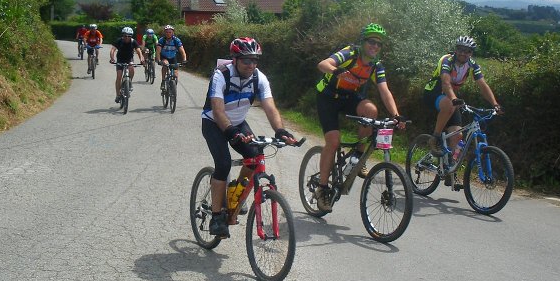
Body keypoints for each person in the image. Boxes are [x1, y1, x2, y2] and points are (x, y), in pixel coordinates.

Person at [201, 37, 297, 238]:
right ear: (235, 59)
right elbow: (218, 111)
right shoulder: (221, 75)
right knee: (224, 163)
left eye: (255, 60)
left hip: (238, 123)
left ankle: (237, 194)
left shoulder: (259, 78)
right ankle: (217, 216)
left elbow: (270, 106)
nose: (251, 65)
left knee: (254, 155)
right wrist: (231, 132)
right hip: (214, 123)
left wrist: (280, 131)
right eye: (246, 60)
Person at [313, 23, 405, 212]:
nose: (375, 47)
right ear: (363, 42)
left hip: (349, 97)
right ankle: (322, 188)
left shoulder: (375, 65)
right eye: (372, 42)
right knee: (333, 142)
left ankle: (357, 156)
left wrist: (396, 115)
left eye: (379, 44)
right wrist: (337, 71)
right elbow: (323, 64)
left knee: (371, 110)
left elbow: (385, 91)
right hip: (328, 97)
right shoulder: (350, 53)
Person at [423, 35, 502, 156]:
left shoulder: (472, 65)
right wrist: (454, 98)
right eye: (461, 50)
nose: (463, 53)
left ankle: (448, 170)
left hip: (451, 99)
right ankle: (434, 138)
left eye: (468, 51)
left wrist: (495, 104)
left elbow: (483, 85)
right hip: (433, 92)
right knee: (450, 105)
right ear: (456, 50)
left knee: (457, 136)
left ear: (471, 53)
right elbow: (445, 83)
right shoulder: (447, 60)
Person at [110, 26, 144, 103]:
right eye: (125, 35)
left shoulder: (133, 42)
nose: (127, 37)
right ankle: (118, 95)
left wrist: (141, 59)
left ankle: (129, 82)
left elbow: (139, 51)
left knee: (132, 69)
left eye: (129, 36)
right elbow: (112, 50)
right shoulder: (119, 41)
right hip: (120, 59)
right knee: (119, 76)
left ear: (131, 36)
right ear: (123, 35)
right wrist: (112, 58)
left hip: (129, 59)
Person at [156, 24, 187, 91]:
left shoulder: (176, 40)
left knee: (175, 72)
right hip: (164, 56)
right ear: (164, 33)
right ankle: (163, 80)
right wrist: (158, 60)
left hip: (173, 57)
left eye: (170, 32)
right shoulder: (162, 40)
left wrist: (184, 59)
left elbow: (182, 51)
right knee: (165, 64)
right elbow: (158, 51)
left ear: (173, 33)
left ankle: (173, 86)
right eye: (166, 32)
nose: (168, 34)